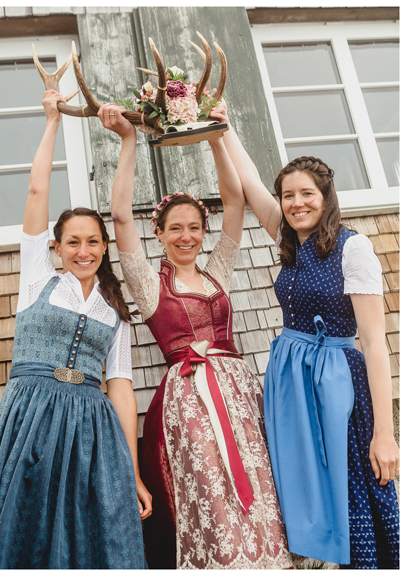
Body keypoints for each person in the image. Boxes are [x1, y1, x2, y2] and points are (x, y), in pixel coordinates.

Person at [211, 101, 400, 568]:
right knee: (299, 481)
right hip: (290, 379)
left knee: (348, 476)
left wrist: (386, 433)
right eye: (288, 195)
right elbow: (252, 182)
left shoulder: (353, 249)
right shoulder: (288, 236)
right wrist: (224, 126)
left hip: (337, 378)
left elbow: (375, 344)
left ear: (326, 195)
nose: (296, 203)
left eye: (306, 194)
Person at [103, 102, 292, 569]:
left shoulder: (218, 273)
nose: (186, 236)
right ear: (161, 234)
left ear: (203, 232)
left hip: (242, 393)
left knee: (262, 479)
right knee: (211, 486)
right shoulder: (150, 286)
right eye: (176, 230)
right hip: (188, 398)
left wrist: (214, 135)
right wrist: (129, 142)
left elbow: (234, 201)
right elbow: (120, 216)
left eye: (193, 228)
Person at [0, 91, 148, 569]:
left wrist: (132, 471)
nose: (84, 250)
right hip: (32, 413)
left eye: (93, 241)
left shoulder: (114, 308)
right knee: (26, 525)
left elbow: (120, 389)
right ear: (55, 247)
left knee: (93, 533)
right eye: (73, 242)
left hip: (92, 428)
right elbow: (36, 192)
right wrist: (52, 120)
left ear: (103, 247)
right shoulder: (37, 278)